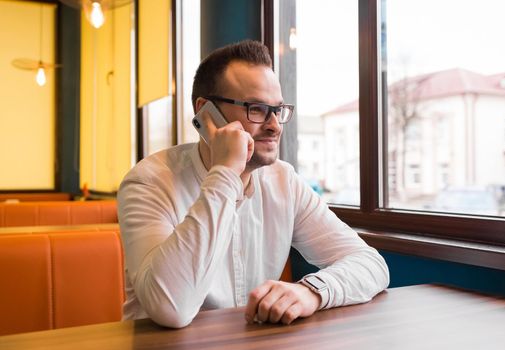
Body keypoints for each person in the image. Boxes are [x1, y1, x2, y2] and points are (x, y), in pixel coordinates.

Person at [117, 40, 389, 328]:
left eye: (278, 109)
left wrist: (312, 292)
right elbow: (170, 308)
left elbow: (371, 264)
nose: (274, 125)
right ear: (206, 113)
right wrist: (224, 172)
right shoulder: (148, 182)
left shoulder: (284, 181)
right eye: (257, 109)